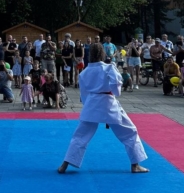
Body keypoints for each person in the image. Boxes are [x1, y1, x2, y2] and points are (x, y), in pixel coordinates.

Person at [58, 43, 148, 174]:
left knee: (80, 135)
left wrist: (88, 105)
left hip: (92, 104)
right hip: (108, 104)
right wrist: (115, 91)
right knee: (129, 132)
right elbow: (116, 87)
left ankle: (64, 165)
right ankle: (135, 165)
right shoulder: (109, 68)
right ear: (102, 53)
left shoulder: (84, 72)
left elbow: (83, 95)